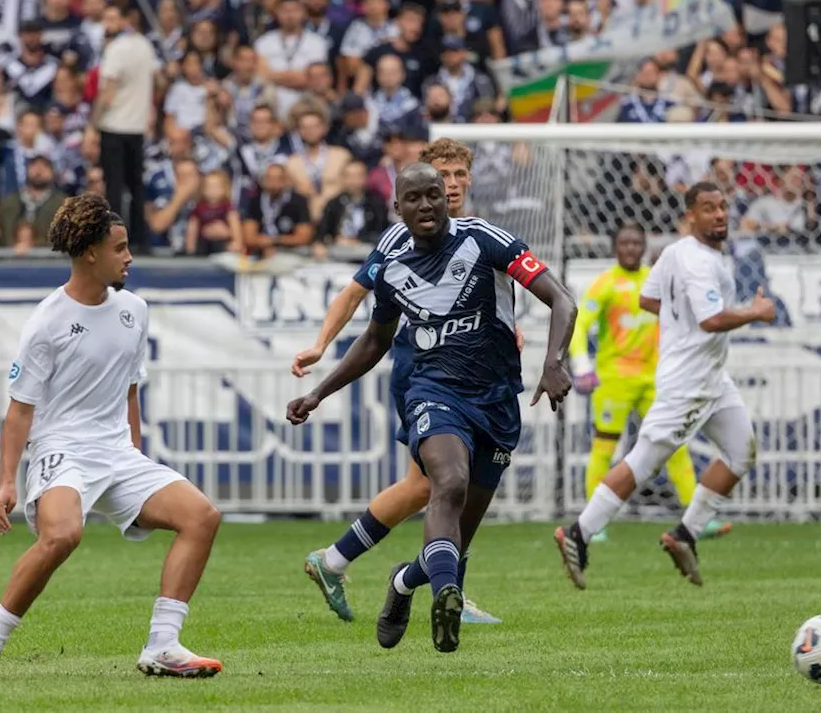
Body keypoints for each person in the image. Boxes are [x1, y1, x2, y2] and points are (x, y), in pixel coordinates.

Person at [287, 162, 577, 653]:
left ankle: (403, 583)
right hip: (434, 392)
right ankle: (448, 595)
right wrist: (319, 391)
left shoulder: (486, 239)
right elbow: (375, 340)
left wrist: (554, 363)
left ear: (448, 198)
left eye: (434, 195)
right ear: (397, 208)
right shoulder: (391, 263)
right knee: (448, 482)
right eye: (414, 199)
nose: (426, 206)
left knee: (454, 539)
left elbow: (562, 300)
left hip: (498, 401)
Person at [0, 193, 222, 682]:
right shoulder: (47, 322)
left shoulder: (135, 310)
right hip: (62, 449)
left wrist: (136, 456)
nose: (129, 257)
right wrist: (6, 482)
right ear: (89, 253)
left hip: (117, 452)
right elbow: (20, 411)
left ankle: (163, 645)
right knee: (63, 535)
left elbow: (129, 390)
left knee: (202, 516)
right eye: (120, 248)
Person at [293, 140, 513, 626]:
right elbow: (355, 294)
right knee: (442, 485)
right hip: (425, 369)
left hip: (475, 372)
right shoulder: (398, 241)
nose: (449, 185)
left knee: (430, 489)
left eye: (458, 174)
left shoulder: (478, 235)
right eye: (441, 175)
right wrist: (320, 345)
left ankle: (336, 560)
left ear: (468, 180)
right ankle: (442, 584)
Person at [556, 182, 775, 590]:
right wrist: (755, 312)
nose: (719, 215)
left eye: (723, 207)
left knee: (740, 451)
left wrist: (680, 320)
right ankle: (579, 533)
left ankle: (686, 534)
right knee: (643, 460)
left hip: (713, 377)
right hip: (688, 380)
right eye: (708, 208)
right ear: (689, 215)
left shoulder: (677, 253)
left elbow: (648, 299)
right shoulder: (695, 261)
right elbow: (710, 320)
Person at [570, 222, 732, 543]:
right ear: (615, 247)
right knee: (604, 448)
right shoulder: (605, 284)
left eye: (636, 243)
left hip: (656, 379)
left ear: (644, 247)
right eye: (624, 243)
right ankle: (594, 522)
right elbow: (579, 325)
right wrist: (581, 365)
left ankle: (695, 518)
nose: (630, 249)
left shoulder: (654, 281)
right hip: (614, 380)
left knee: (674, 445)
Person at [89, 4, 155, 253]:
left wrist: (92, 126)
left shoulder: (117, 49)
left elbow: (107, 94)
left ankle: (114, 241)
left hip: (114, 126)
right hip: (136, 128)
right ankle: (140, 239)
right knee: (136, 186)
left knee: (114, 186)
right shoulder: (145, 47)